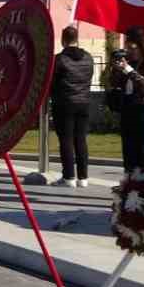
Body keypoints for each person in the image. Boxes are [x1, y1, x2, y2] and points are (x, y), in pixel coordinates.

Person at [49, 25, 94, 187]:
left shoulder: (59, 59)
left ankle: (68, 177)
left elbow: (51, 83)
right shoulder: (88, 57)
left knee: (66, 140)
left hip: (64, 103)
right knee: (81, 139)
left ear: (63, 40)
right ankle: (83, 178)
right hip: (84, 102)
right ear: (77, 38)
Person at [114, 25, 144, 175]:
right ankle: (129, 179)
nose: (130, 52)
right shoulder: (129, 63)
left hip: (143, 110)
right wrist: (116, 70)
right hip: (128, 108)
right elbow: (116, 84)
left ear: (141, 47)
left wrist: (129, 70)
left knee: (142, 150)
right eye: (128, 48)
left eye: (133, 49)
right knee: (128, 149)